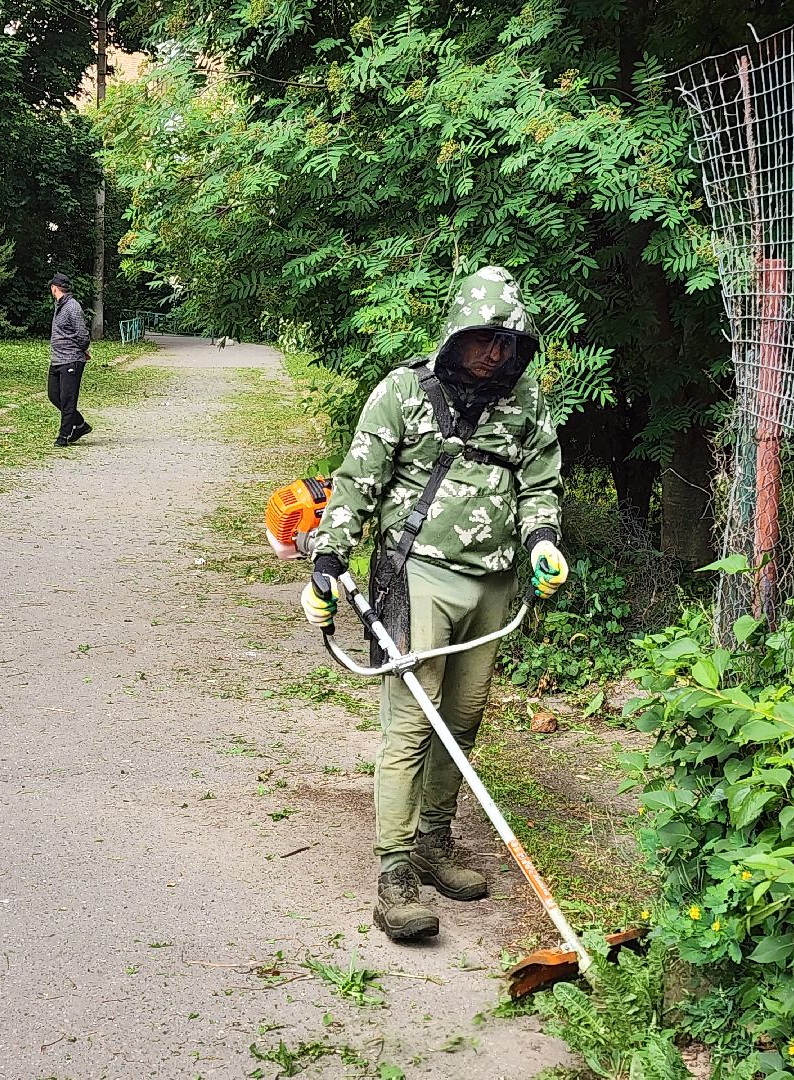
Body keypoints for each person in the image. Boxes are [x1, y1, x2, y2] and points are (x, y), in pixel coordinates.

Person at [299, 265, 570, 942]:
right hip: (421, 575)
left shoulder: (526, 403)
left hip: (496, 583)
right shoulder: (403, 392)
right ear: (455, 335)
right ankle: (394, 874)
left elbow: (541, 483)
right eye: (484, 340)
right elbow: (357, 481)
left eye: (508, 344)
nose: (495, 355)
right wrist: (327, 561)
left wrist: (542, 541)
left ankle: (433, 840)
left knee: (466, 715)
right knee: (413, 721)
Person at [48, 272, 92, 447]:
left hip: (71, 359)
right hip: (57, 360)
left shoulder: (72, 307)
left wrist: (82, 350)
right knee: (53, 395)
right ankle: (80, 424)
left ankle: (64, 436)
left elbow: (82, 334)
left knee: (67, 399)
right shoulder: (59, 305)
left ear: (54, 288)